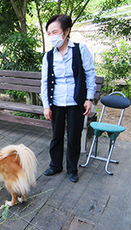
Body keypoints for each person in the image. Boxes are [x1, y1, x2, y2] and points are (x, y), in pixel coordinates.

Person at [40, 14, 97, 183]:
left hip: (75, 101)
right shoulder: (48, 56)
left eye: (54, 32)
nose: (51, 36)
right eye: (49, 33)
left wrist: (89, 98)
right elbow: (44, 81)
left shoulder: (80, 50)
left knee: (74, 136)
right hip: (56, 101)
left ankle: (72, 169)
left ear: (66, 31)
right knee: (56, 135)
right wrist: (46, 105)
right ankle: (55, 165)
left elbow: (90, 75)